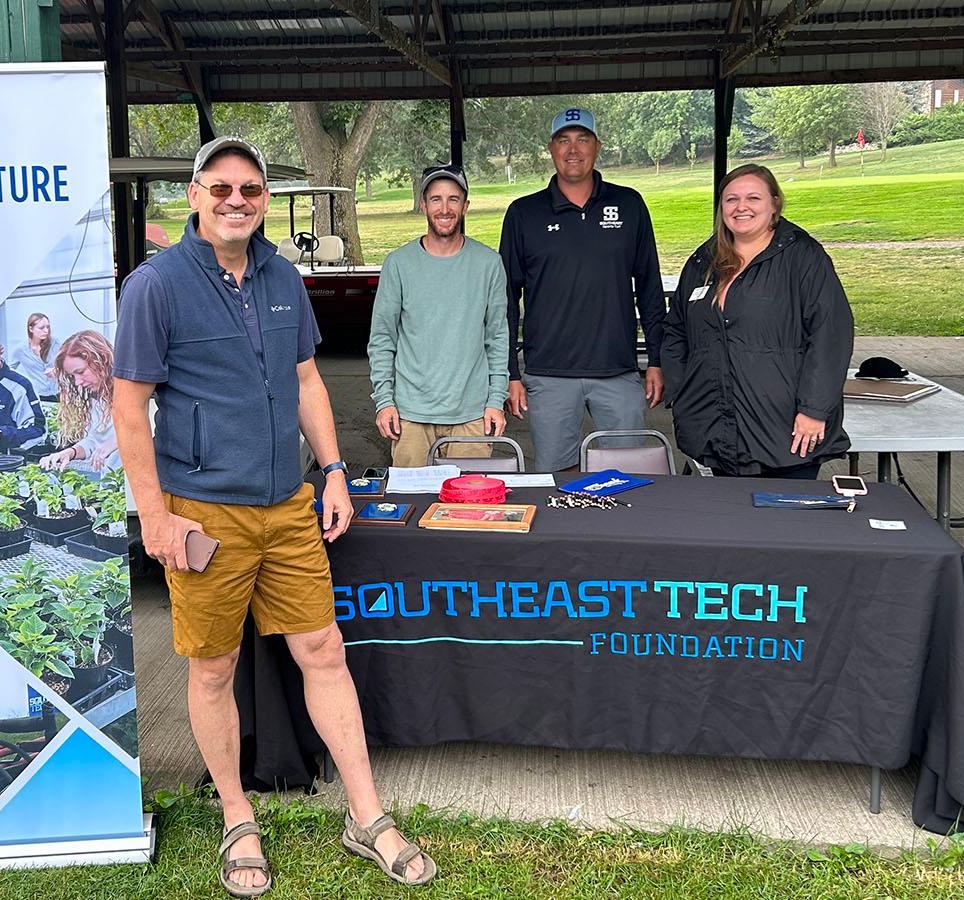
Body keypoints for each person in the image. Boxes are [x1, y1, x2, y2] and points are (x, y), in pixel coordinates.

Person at [113, 136, 434, 896]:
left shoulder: (281, 275)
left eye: (250, 190)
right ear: (194, 195)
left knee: (322, 648)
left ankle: (366, 814)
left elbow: (307, 381)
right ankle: (236, 816)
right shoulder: (155, 287)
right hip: (203, 511)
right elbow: (128, 408)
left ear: (262, 199)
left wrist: (331, 473)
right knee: (213, 666)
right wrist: (153, 516)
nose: (236, 201)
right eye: (220, 188)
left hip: (287, 503)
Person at [659, 164, 854, 478]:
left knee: (782, 524)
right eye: (731, 199)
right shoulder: (703, 261)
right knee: (729, 522)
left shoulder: (803, 257)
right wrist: (682, 391)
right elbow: (676, 329)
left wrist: (814, 410)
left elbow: (831, 335)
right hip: (715, 427)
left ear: (775, 203)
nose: (741, 207)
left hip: (784, 430)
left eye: (753, 198)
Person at [499, 107, 666, 470]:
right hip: (549, 373)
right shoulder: (524, 213)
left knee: (625, 475)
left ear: (597, 146)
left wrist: (656, 359)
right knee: (557, 478)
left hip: (618, 370)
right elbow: (505, 302)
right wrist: (510, 373)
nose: (573, 149)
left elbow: (650, 286)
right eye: (564, 140)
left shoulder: (629, 204)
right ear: (551, 148)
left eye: (582, 139)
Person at [367, 165, 509, 467]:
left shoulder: (489, 264)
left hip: (471, 416)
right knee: (411, 507)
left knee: (469, 510)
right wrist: (385, 401)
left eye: (453, 199)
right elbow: (382, 339)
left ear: (466, 206)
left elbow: (497, 338)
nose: (444, 209)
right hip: (411, 418)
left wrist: (496, 401)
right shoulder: (398, 264)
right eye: (435, 199)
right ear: (423, 205)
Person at [39, 329, 119, 472]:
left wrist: (118, 441)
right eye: (73, 376)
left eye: (81, 372)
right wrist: (70, 453)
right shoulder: (98, 398)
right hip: (111, 482)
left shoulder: (131, 393)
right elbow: (94, 441)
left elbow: (148, 431)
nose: (78, 382)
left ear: (101, 360)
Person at [8, 312, 59, 401]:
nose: (46, 331)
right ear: (31, 329)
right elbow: (9, 370)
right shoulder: (20, 349)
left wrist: (56, 370)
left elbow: (67, 364)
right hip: (38, 396)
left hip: (59, 393)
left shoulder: (55, 343)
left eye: (47, 327)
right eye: (41, 328)